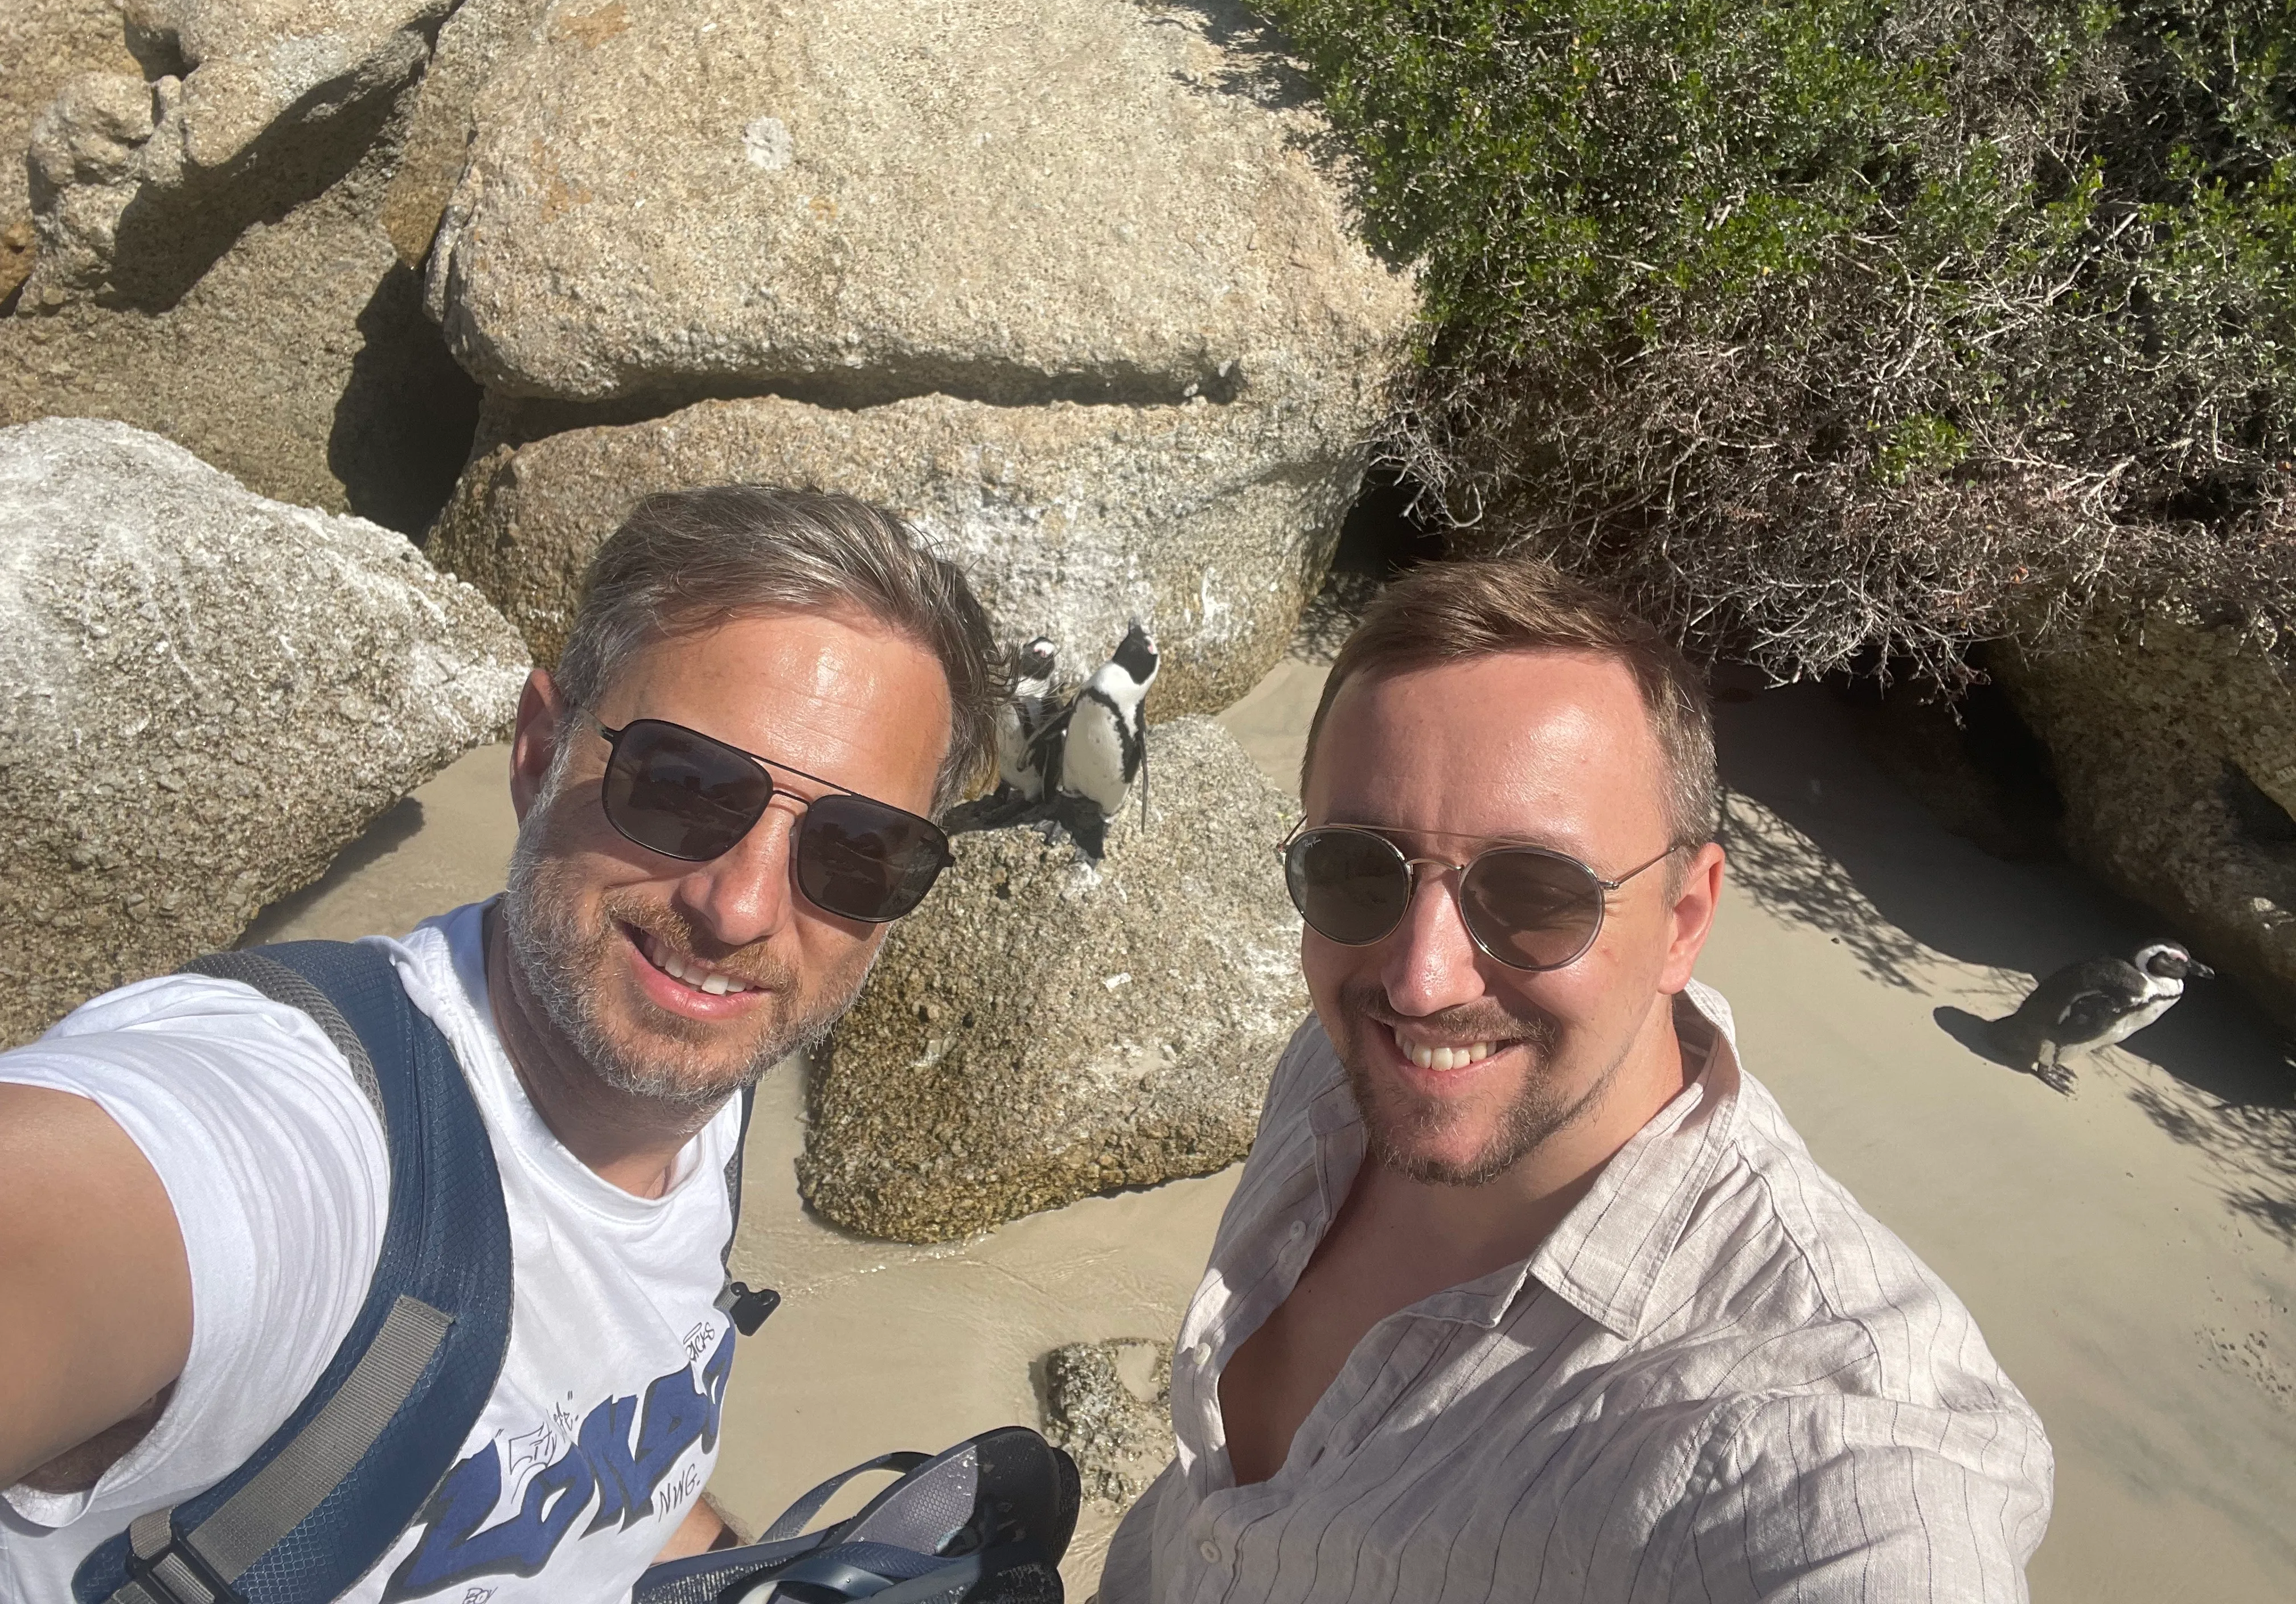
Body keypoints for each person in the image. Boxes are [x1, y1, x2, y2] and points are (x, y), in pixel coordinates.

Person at [0, 486, 1003, 1602]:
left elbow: (583, 1483)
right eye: (683, 787)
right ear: (537, 752)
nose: (743, 909)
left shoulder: (709, 1112)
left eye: (857, 852)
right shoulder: (301, 1145)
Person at [1100, 559, 2053, 1602]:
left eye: (1535, 892)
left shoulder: (1806, 1421)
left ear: (1685, 919)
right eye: (1357, 869)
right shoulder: (1338, 1074)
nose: (1418, 981)